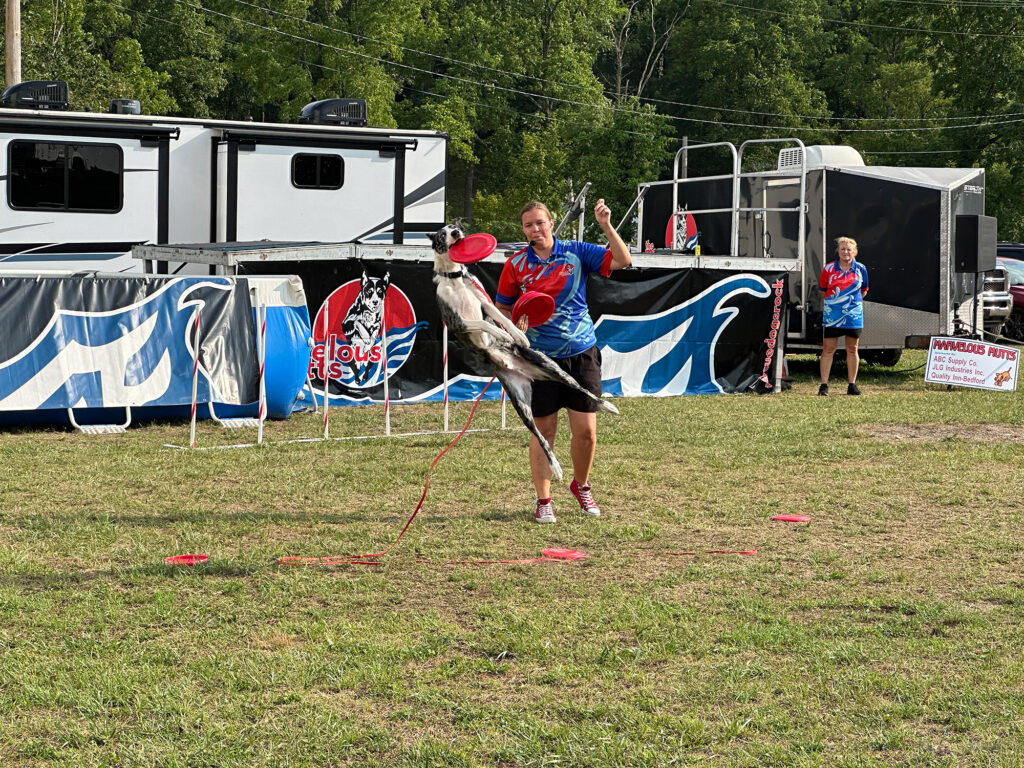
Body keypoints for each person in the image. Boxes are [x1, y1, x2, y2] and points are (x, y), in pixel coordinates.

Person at [495, 199, 632, 524]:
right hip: (539, 359)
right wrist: (514, 325)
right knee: (544, 430)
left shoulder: (577, 251)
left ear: (551, 223)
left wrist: (606, 226)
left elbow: (623, 260)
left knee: (586, 432)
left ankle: (581, 485)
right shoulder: (516, 265)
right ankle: (544, 500)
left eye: (540, 223)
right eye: (528, 225)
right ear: (523, 230)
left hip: (582, 353)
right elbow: (502, 307)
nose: (535, 229)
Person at [817, 236, 869, 396]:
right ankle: (824, 385)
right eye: (842, 249)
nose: (846, 252)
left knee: (852, 349)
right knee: (828, 349)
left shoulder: (861, 269)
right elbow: (822, 290)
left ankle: (852, 384)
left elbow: (864, 290)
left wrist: (850, 303)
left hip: (854, 315)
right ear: (838, 251)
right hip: (833, 315)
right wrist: (836, 303)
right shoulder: (828, 269)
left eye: (849, 249)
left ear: (855, 252)